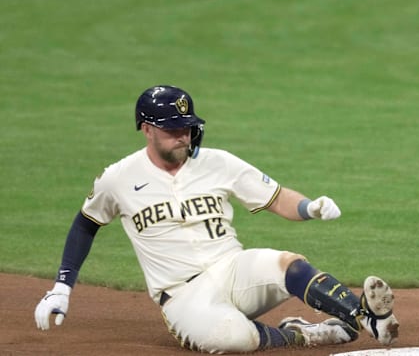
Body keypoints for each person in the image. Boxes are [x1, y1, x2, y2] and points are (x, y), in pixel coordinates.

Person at [34, 85, 400, 353]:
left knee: (287, 263)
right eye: (172, 129)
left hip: (232, 268)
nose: (183, 136)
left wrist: (311, 207)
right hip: (182, 295)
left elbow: (277, 199)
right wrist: (62, 288)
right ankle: (305, 334)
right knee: (233, 338)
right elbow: (86, 223)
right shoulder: (118, 178)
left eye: (187, 127)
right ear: (146, 129)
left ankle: (365, 316)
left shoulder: (218, 161)